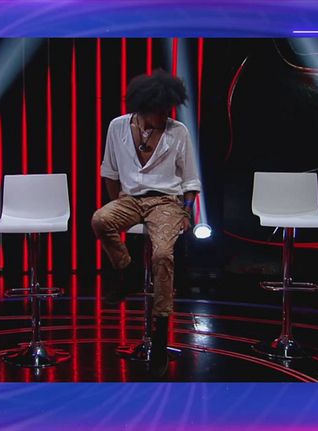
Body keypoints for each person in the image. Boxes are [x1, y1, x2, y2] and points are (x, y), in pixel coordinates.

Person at [91, 70, 201, 375]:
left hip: (166, 202)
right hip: (129, 199)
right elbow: (109, 172)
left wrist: (186, 212)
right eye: (159, 111)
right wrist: (118, 203)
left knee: (162, 254)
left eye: (167, 110)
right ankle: (127, 272)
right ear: (142, 107)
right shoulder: (117, 127)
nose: (164, 116)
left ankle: (161, 330)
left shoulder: (178, 131)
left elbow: (190, 179)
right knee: (100, 219)